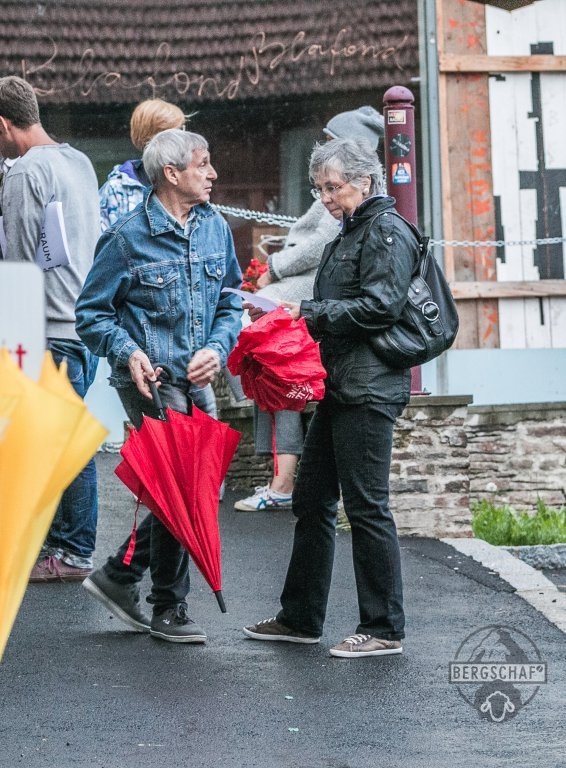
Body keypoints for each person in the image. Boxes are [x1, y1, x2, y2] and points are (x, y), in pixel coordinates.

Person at [242, 137, 416, 658]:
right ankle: (301, 618)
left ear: (364, 181)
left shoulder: (385, 231)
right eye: (319, 189)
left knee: (366, 507)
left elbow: (380, 307)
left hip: (370, 386)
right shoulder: (353, 230)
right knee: (312, 499)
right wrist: (293, 313)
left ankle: (383, 628)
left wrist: (308, 314)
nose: (325, 198)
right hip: (343, 384)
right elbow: (342, 302)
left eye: (333, 187)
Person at [76, 129, 243, 643]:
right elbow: (90, 315)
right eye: (203, 164)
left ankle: (120, 574)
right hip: (152, 380)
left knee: (195, 488)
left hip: (199, 380)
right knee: (181, 484)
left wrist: (218, 346)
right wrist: (129, 353)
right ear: (172, 174)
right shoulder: (126, 238)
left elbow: (231, 300)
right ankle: (168, 607)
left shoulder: (216, 228)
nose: (213, 174)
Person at [0, 76, 103, 583]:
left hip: (48, 321)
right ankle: (57, 542)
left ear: (4, 124)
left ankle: (73, 551)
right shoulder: (79, 161)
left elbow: (25, 258)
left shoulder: (26, 171)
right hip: (83, 319)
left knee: (62, 439)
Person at [234, 105, 385, 512]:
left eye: (330, 137)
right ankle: (279, 480)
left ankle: (281, 483)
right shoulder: (336, 189)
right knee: (272, 377)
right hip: (300, 298)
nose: (322, 144)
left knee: (281, 379)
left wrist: (272, 271)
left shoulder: (344, 194)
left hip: (301, 298)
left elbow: (319, 246)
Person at [99, 98, 186, 230]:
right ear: (153, 139)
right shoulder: (117, 190)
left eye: (183, 131)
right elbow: (101, 244)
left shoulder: (189, 184)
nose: (184, 139)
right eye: (176, 133)